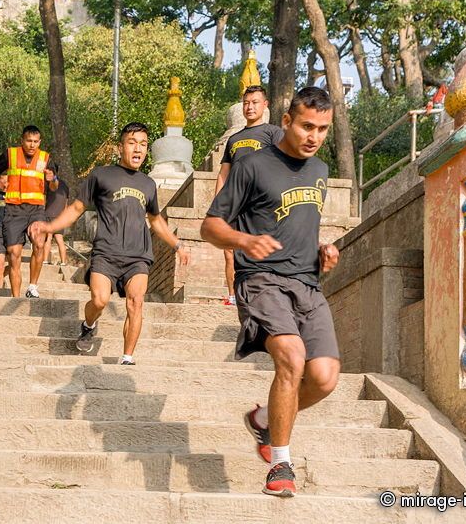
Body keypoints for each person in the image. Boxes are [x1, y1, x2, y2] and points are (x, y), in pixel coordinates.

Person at [200, 86, 341, 498]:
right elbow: (210, 226)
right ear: (286, 122)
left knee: (325, 377)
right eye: (306, 126)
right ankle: (280, 463)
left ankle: (264, 418)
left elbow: (296, 225)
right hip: (260, 280)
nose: (313, 136)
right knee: (292, 359)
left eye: (322, 129)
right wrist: (244, 242)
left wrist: (322, 252)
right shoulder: (253, 165)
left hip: (307, 284)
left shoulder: (320, 171)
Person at [31, 122, 190, 365]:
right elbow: (76, 208)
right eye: (132, 143)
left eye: (143, 144)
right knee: (99, 300)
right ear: (120, 147)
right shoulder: (101, 175)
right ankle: (88, 324)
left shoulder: (148, 184)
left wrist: (177, 245)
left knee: (136, 303)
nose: (138, 149)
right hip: (106, 252)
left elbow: (156, 220)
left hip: (138, 255)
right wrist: (49, 226)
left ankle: (127, 358)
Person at [214, 85, 283, 304]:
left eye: (254, 102)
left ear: (265, 105)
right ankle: (233, 297)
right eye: (246, 102)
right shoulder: (233, 139)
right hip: (235, 202)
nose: (249, 107)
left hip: (261, 203)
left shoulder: (273, 133)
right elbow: (223, 174)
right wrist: (218, 207)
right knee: (229, 251)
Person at [0, 125, 58, 298]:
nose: (32, 145)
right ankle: (15, 297)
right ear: (22, 140)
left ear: (40, 142)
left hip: (36, 209)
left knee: (39, 243)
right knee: (14, 254)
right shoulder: (10, 154)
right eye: (29, 141)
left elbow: (54, 186)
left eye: (35, 141)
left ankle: (33, 286)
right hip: (13, 210)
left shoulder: (46, 158)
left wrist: (53, 179)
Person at [43, 172, 70, 266]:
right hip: (60, 216)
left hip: (49, 213)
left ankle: (45, 260)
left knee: (48, 238)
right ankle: (63, 262)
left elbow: (43, 200)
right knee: (60, 239)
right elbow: (66, 204)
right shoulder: (65, 186)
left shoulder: (48, 184)